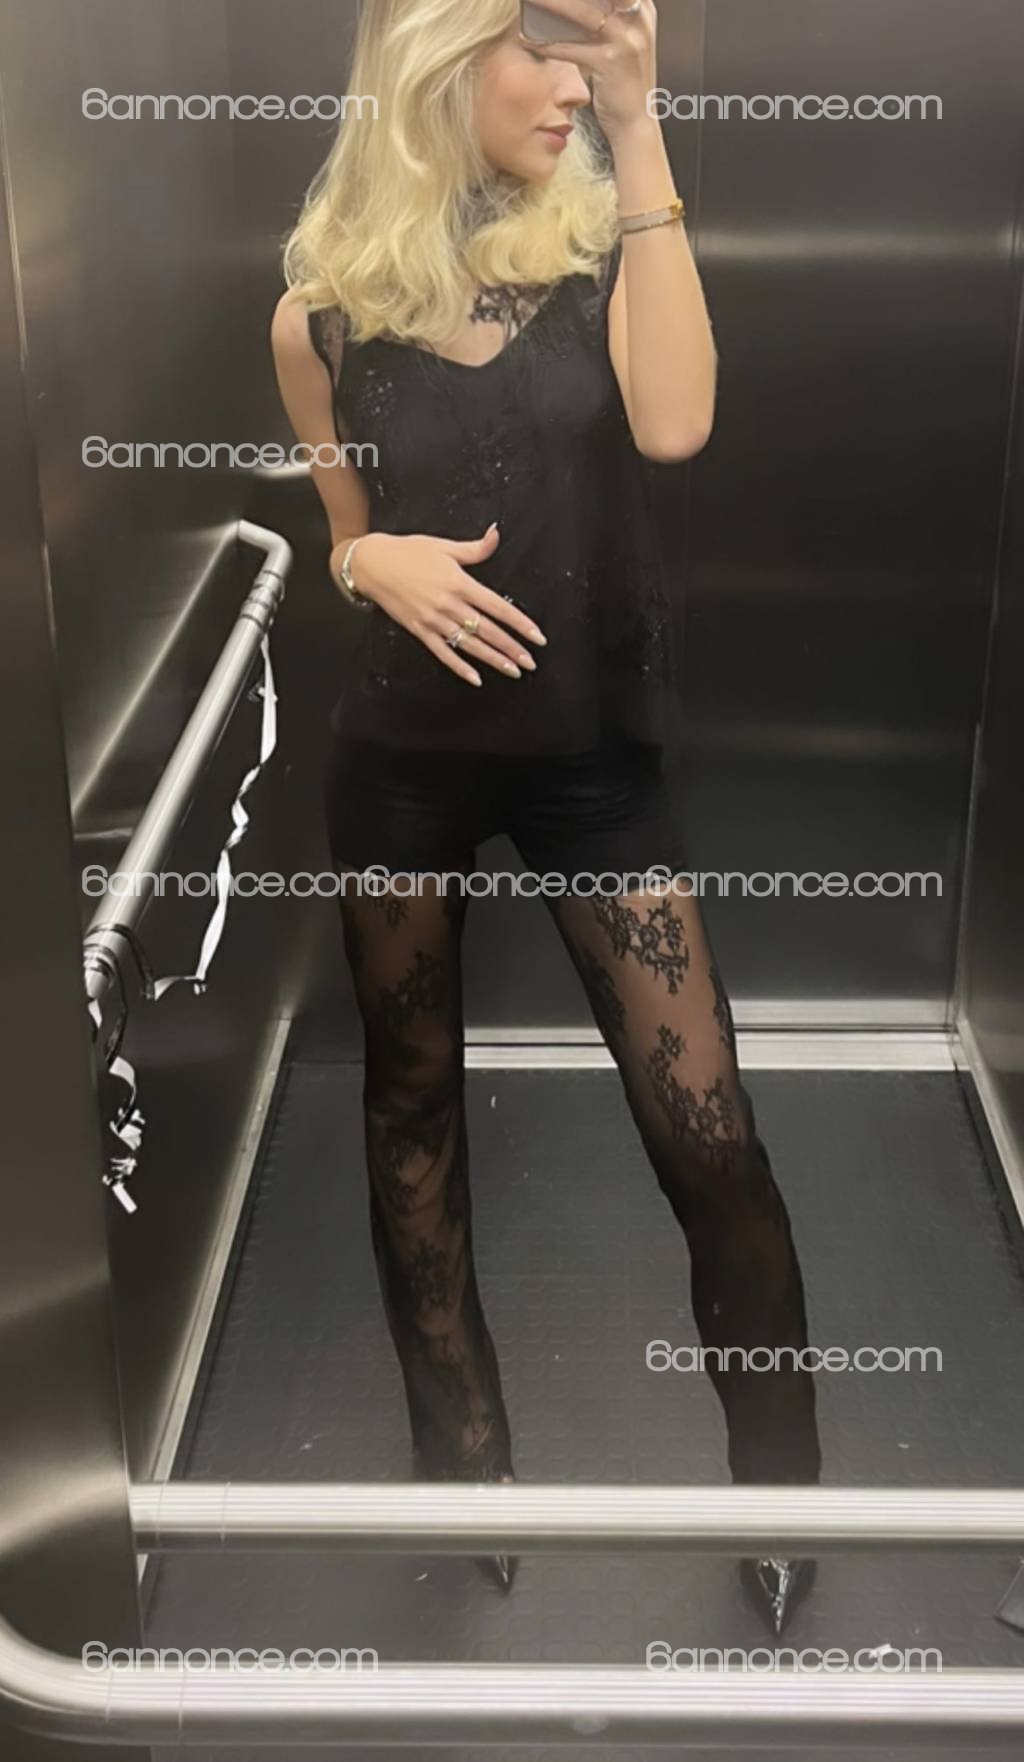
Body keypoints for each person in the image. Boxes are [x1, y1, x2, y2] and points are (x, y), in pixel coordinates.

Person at [271, 0, 821, 1633]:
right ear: (441, 58)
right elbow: (341, 534)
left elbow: (676, 424)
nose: (576, 82)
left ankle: (791, 1484)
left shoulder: (604, 249)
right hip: (402, 756)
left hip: (591, 754)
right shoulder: (319, 309)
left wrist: (644, 131)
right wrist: (368, 558)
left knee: (709, 1132)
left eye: (594, 52)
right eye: (546, 45)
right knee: (410, 1108)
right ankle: (466, 1462)